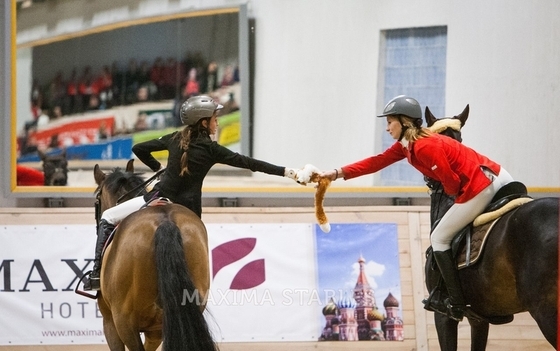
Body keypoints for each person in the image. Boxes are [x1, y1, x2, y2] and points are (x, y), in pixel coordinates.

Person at [318, 95, 513, 322]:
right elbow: (376, 162)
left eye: (390, 121)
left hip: (482, 183)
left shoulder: (424, 147)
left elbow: (451, 183)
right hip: (497, 174)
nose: (387, 127)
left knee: (439, 237)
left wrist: (454, 197)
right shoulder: (407, 146)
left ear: (404, 122)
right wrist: (336, 173)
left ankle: (458, 303)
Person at [83, 95, 303, 291]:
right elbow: (250, 163)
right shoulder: (213, 149)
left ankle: (96, 273)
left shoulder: (174, 138)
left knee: (107, 217)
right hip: (189, 210)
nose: (217, 121)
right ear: (204, 122)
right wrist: (286, 172)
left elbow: (139, 148)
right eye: (215, 118)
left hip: (157, 198)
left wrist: (157, 168)